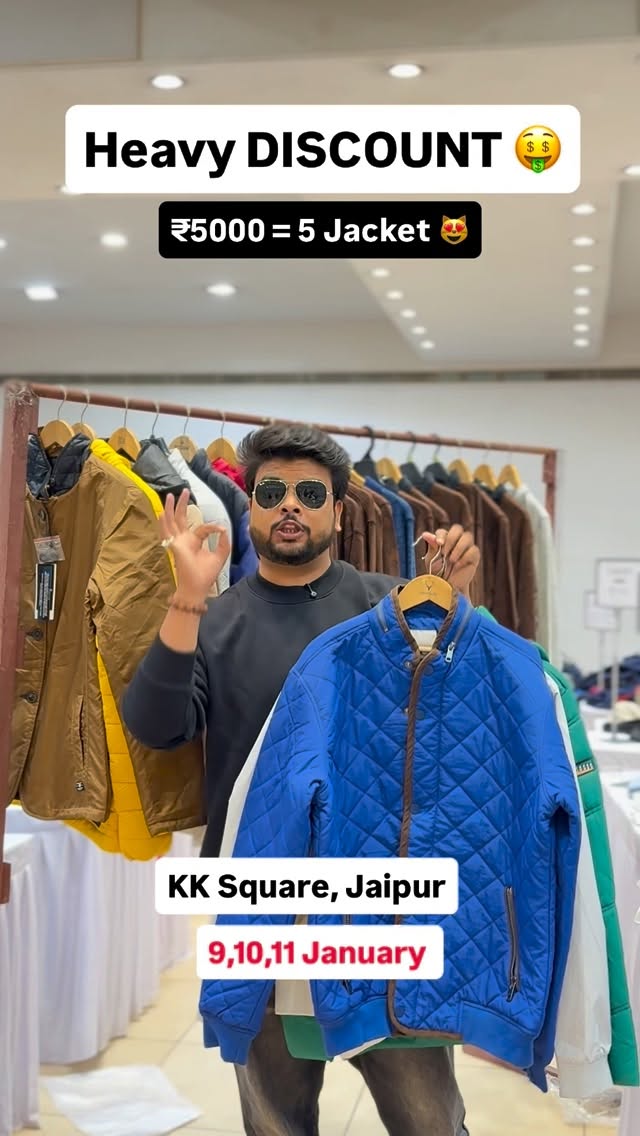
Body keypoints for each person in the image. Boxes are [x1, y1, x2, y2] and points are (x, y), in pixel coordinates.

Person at [122, 423, 481, 1136]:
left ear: (339, 512)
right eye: (272, 492)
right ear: (251, 508)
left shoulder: (390, 606)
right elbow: (157, 726)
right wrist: (187, 596)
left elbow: (457, 725)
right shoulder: (214, 619)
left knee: (428, 1117)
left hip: (380, 898)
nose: (290, 505)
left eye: (310, 494)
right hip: (259, 898)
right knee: (276, 1118)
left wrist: (457, 607)